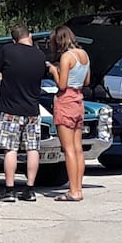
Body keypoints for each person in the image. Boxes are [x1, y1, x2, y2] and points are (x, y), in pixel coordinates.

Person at [0, 24, 49, 202]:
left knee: (11, 149)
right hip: (32, 109)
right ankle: (30, 189)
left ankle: (9, 190)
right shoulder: (40, 55)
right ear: (30, 36)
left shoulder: (8, 50)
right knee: (33, 148)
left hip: (10, 108)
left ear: (13, 39)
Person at [47, 25, 90, 201]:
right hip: (79, 100)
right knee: (78, 148)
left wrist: (53, 71)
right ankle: (78, 188)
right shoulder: (84, 55)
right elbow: (87, 81)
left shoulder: (66, 57)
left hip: (65, 101)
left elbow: (62, 85)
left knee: (68, 149)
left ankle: (72, 191)